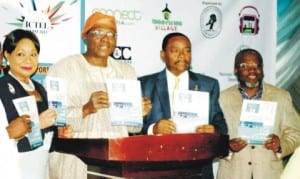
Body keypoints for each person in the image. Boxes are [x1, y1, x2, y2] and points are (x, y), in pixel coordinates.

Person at [46, 12, 151, 178]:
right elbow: (52, 118)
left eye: (111, 34)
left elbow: (132, 128)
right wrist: (86, 109)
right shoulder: (63, 68)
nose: (105, 39)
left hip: (115, 161)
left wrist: (139, 114)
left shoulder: (126, 72)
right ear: (85, 37)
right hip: (74, 162)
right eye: (98, 33)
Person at [138, 32, 228, 179]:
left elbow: (221, 125)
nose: (182, 55)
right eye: (175, 51)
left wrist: (214, 129)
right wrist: (152, 129)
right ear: (162, 55)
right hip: (156, 169)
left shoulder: (208, 85)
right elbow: (132, 129)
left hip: (197, 168)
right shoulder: (145, 84)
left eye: (187, 51)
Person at [216, 48, 300, 179]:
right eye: (245, 65)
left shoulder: (281, 96)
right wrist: (226, 147)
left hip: (269, 174)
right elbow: (210, 137)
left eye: (257, 65)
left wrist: (281, 145)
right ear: (235, 70)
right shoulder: (222, 98)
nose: (252, 70)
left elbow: (295, 132)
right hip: (233, 174)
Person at [0, 29, 57, 179]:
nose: (28, 60)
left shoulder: (41, 88)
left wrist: (61, 131)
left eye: (33, 54)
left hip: (40, 167)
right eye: (21, 54)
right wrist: (38, 123)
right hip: (12, 169)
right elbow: (8, 133)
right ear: (7, 55)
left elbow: (49, 133)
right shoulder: (2, 88)